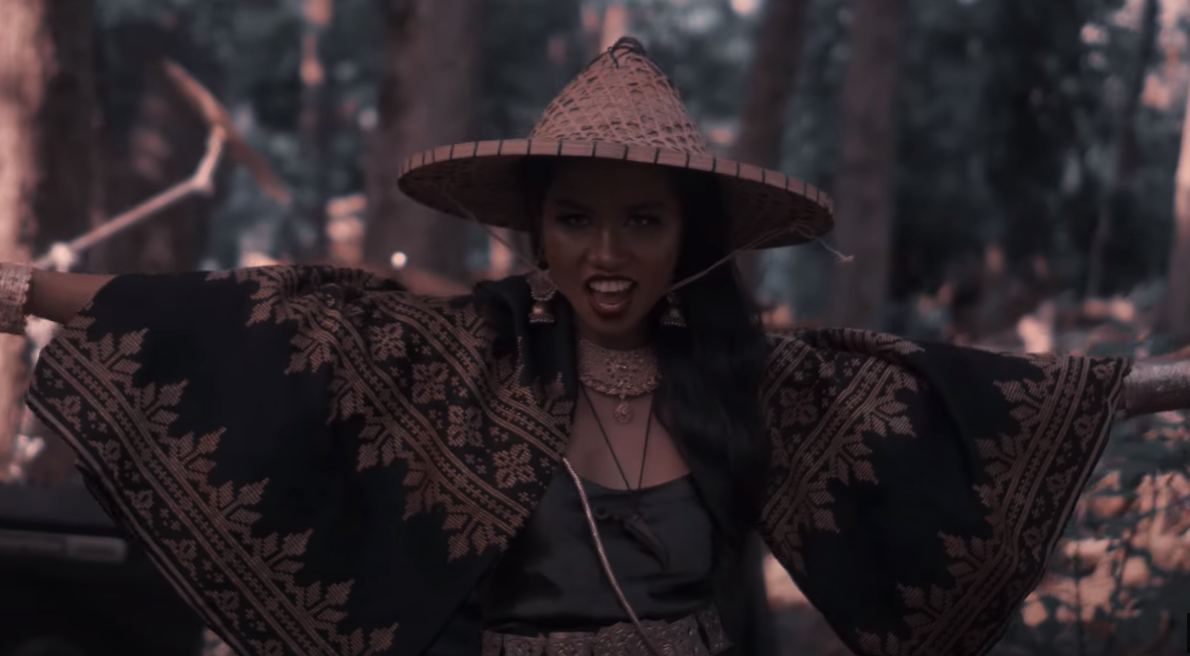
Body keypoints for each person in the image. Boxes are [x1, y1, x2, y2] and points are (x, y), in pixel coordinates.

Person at [6, 38, 1188, 656]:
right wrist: (27, 288)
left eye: (642, 218)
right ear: (536, 229)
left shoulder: (751, 382)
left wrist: (1147, 382)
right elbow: (263, 312)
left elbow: (957, 393)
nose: (605, 253)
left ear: (692, 237)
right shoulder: (461, 358)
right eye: (573, 217)